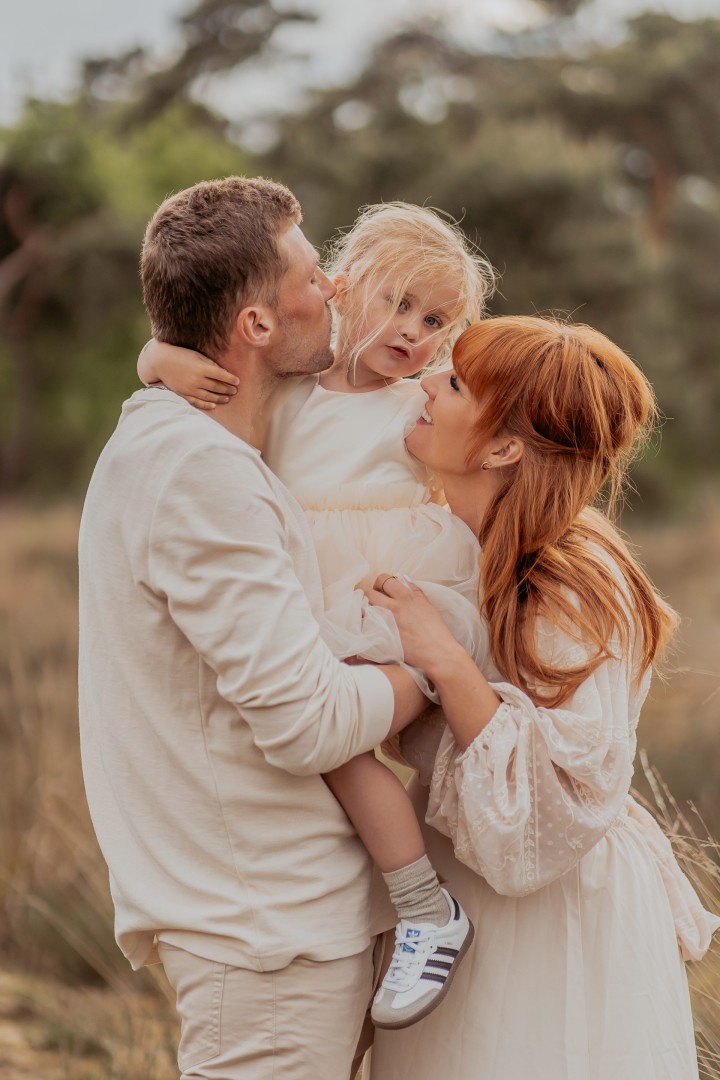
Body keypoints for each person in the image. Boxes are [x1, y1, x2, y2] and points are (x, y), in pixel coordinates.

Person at [78, 176, 429, 1080]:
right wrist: (435, 670)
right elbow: (308, 721)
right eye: (312, 276)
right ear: (259, 324)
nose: (334, 287)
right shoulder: (202, 472)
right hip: (264, 935)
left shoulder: (188, 440)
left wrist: (158, 357)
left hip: (280, 919)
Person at [137, 201, 495, 1029]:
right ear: (341, 287)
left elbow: (487, 427)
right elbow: (180, 358)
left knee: (342, 750)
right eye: (398, 303)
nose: (413, 332)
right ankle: (404, 907)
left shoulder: (415, 404)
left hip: (381, 593)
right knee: (323, 754)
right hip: (303, 585)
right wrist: (160, 357)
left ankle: (425, 906)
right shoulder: (292, 387)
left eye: (435, 321)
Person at [362, 315, 720, 1079]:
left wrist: (445, 660)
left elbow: (556, 798)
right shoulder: (443, 541)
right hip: (456, 879)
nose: (424, 385)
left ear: (502, 448)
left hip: (552, 903)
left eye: (455, 384)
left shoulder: (573, 580)